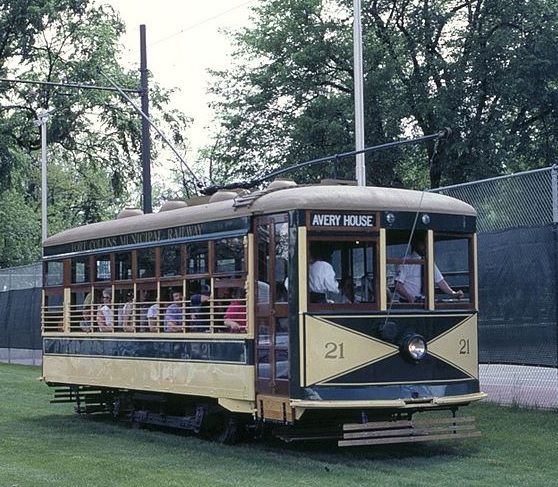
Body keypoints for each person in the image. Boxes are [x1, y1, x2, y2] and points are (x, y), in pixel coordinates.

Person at [395, 237, 464, 303]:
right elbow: (398, 285)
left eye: (427, 243)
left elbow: (440, 281)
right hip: (408, 304)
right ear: (415, 244)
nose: (425, 246)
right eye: (422, 243)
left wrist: (453, 293)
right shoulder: (405, 262)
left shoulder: (429, 262)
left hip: (425, 302)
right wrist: (410, 298)